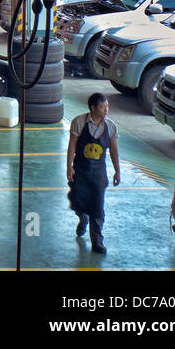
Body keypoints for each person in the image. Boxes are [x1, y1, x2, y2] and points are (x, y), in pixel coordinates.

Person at [67, 92, 120, 254]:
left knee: (97, 207)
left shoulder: (110, 126)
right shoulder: (79, 122)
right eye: (102, 107)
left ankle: (97, 241)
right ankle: (83, 218)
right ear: (93, 108)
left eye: (107, 107)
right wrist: (69, 167)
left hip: (98, 174)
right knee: (76, 199)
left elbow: (114, 150)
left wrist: (117, 171)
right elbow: (72, 146)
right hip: (81, 170)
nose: (106, 110)